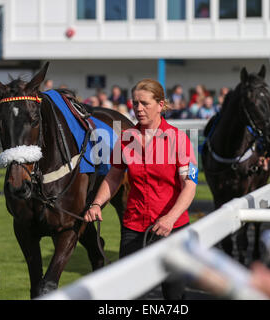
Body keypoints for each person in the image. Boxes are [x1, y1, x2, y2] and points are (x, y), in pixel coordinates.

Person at [84, 78, 198, 300]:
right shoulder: (126, 139)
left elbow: (190, 186)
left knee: (174, 296)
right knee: (129, 293)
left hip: (172, 229)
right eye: (135, 103)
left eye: (144, 103)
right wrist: (97, 203)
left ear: (160, 104)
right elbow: (114, 176)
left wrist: (170, 218)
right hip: (133, 228)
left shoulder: (178, 139)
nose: (138, 109)